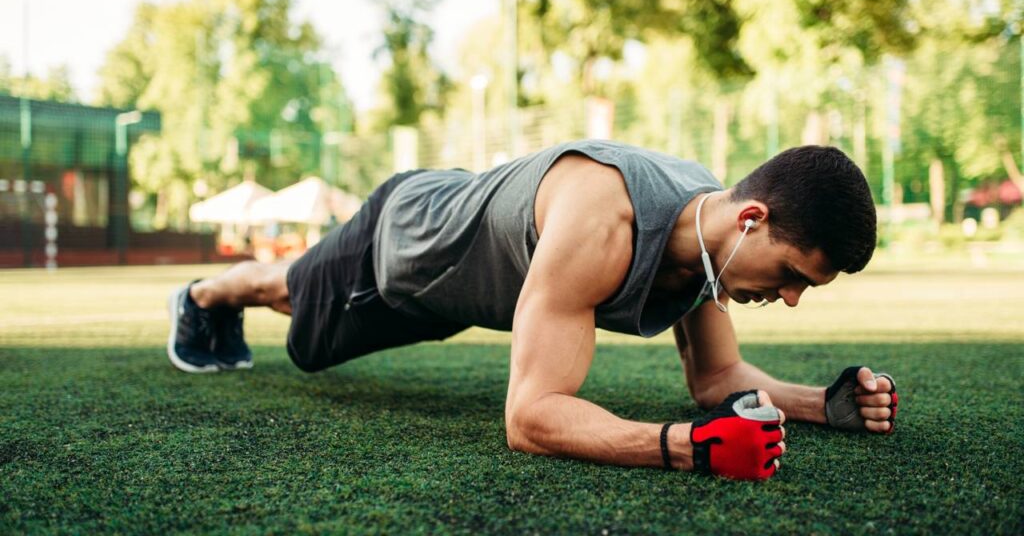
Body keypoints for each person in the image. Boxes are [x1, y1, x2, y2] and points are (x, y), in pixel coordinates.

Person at [166, 140, 898, 481]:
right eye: (795, 276)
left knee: (301, 306)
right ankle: (204, 298)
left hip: (471, 289)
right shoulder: (604, 221)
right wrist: (687, 446)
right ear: (752, 220)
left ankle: (226, 295)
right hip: (405, 249)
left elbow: (719, 378)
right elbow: (531, 417)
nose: (793, 300)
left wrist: (819, 404)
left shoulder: (712, 246)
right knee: (296, 307)